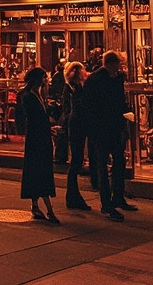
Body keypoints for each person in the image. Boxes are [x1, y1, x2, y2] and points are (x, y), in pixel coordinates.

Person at [83, 50, 132, 219]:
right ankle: (107, 203)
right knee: (103, 164)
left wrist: (125, 113)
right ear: (112, 64)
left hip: (114, 126)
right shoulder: (97, 80)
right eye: (118, 64)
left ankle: (117, 197)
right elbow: (89, 105)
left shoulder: (114, 79)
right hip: (102, 128)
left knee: (118, 161)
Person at [19, 66, 58, 223]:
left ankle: (36, 205)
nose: (46, 80)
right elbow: (34, 119)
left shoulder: (38, 95)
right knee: (41, 170)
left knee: (37, 170)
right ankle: (48, 208)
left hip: (40, 137)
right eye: (44, 77)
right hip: (37, 138)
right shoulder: (30, 97)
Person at [61, 60, 90, 210]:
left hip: (75, 125)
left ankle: (72, 195)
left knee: (76, 161)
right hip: (77, 125)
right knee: (76, 161)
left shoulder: (71, 88)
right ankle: (72, 196)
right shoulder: (75, 89)